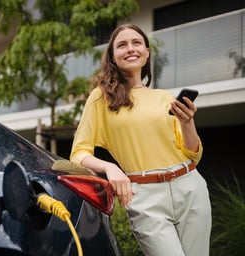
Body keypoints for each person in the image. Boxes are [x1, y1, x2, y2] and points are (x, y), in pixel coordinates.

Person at [70, 24, 211, 256]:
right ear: (113, 57)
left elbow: (193, 153)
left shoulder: (164, 97)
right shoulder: (101, 98)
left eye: (136, 43)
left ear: (146, 53)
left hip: (190, 187)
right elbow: (78, 153)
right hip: (145, 197)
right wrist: (110, 168)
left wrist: (187, 123)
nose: (130, 49)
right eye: (122, 45)